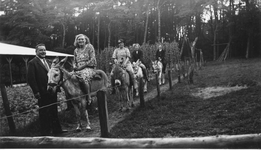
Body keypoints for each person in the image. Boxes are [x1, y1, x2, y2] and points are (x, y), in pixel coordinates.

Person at [27, 43, 67, 135]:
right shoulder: (32, 63)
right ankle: (45, 132)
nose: (43, 51)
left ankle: (57, 130)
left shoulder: (49, 62)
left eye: (44, 50)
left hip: (52, 90)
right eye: (41, 50)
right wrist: (36, 91)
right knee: (44, 112)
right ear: (36, 51)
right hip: (42, 91)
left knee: (54, 110)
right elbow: (31, 79)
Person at [73, 34, 99, 104]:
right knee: (69, 78)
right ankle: (71, 101)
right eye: (79, 39)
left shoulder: (90, 47)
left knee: (83, 77)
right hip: (78, 69)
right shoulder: (76, 50)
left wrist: (82, 67)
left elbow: (92, 59)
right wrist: (74, 66)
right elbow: (74, 61)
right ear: (76, 41)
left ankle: (88, 96)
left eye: (82, 39)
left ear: (85, 40)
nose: (80, 40)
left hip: (89, 67)